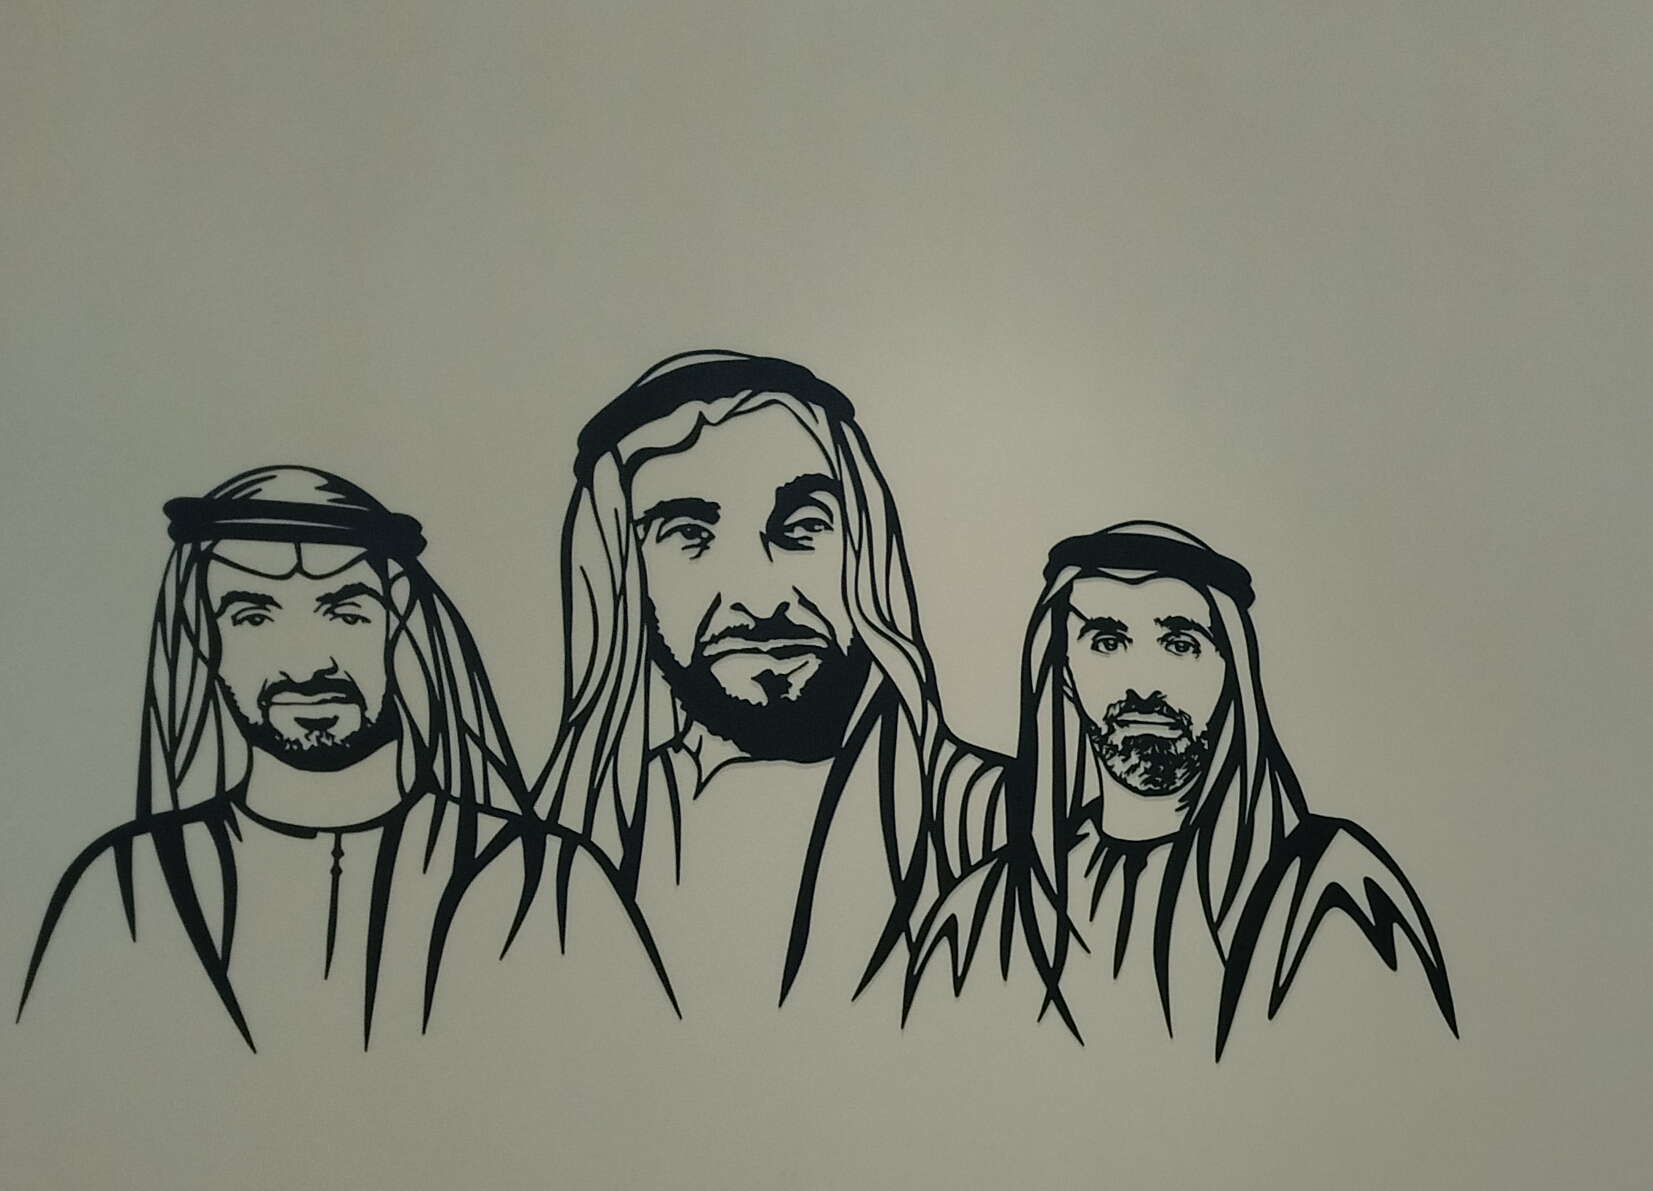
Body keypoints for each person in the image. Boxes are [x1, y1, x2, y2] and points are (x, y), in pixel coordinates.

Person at [20, 469, 661, 1048]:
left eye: (344, 613)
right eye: (252, 617)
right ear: (201, 635)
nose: (306, 665)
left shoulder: (547, 881)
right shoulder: (126, 885)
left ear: (397, 618)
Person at [538, 350, 1006, 1015]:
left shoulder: (997, 823)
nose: (760, 600)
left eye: (805, 526)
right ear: (623, 573)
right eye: (689, 533)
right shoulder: (557, 861)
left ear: (865, 549)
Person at [967, 520, 1452, 1052]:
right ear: (1063, 672)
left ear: (1232, 672)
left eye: (1179, 644)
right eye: (1107, 642)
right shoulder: (995, 904)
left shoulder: (1329, 889)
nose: (1143, 686)